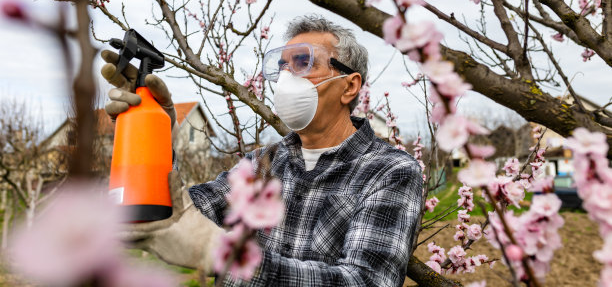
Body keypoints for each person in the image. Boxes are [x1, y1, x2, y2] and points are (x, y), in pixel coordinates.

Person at [102, 15, 423, 287]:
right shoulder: (262, 164)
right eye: (282, 67)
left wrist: (228, 255)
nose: (285, 78)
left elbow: (364, 281)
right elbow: (184, 213)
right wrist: (153, 131)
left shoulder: (389, 172)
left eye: (302, 63)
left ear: (349, 86)